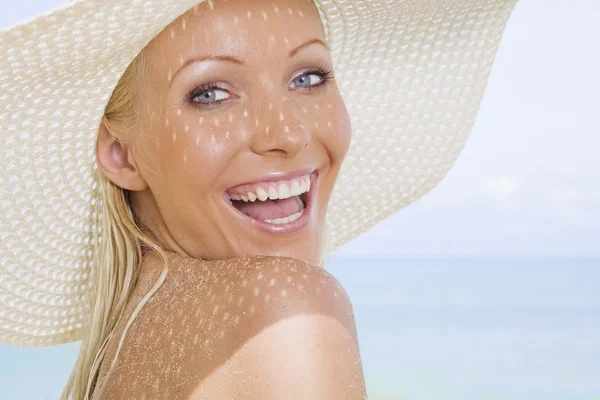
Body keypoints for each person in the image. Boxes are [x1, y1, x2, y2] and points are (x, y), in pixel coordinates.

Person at [0, 0, 519, 398]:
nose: (287, 134)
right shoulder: (280, 307)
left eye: (308, 77)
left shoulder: (126, 345)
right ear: (121, 153)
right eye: (211, 93)